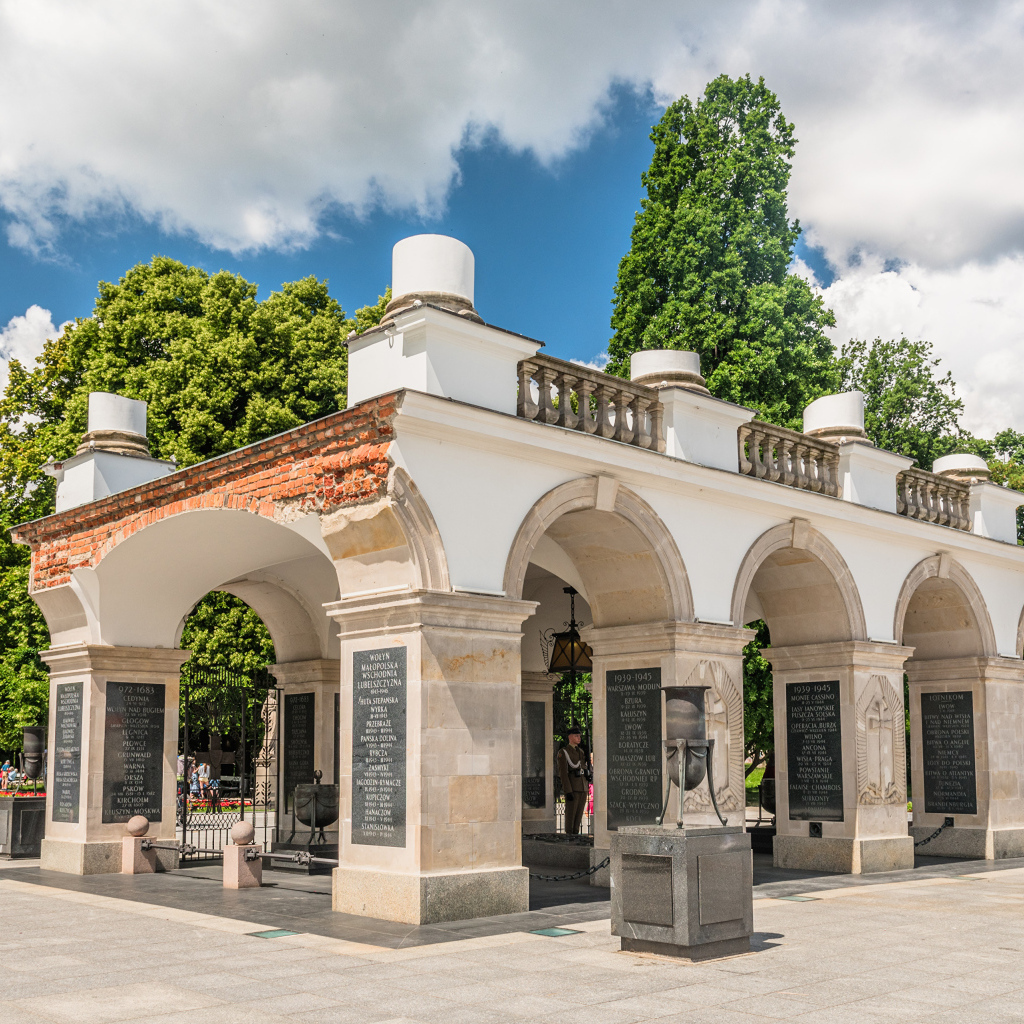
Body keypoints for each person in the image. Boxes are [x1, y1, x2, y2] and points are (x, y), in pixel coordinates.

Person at [558, 725, 589, 835]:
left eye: (579, 736)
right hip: (573, 787)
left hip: (582, 786)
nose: (579, 738)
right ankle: (569, 834)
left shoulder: (580, 751)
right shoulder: (564, 752)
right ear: (570, 737)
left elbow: (583, 767)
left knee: (579, 813)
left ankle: (576, 833)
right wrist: (568, 790)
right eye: (576, 736)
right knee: (571, 813)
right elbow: (563, 773)